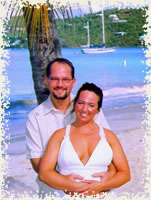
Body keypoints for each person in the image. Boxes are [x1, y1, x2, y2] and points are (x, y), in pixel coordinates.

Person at [26, 58, 116, 198]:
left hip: (96, 191)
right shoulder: (35, 117)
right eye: (55, 79)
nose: (60, 84)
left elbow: (109, 149)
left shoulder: (87, 108)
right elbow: (37, 163)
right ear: (46, 80)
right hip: (53, 193)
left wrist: (109, 176)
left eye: (65, 79)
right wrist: (66, 184)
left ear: (73, 82)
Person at [39, 82, 131, 198]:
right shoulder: (59, 135)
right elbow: (44, 173)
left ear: (98, 109)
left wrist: (100, 186)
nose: (84, 109)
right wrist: (71, 185)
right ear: (74, 104)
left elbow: (125, 174)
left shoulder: (109, 136)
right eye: (81, 103)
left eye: (91, 105)